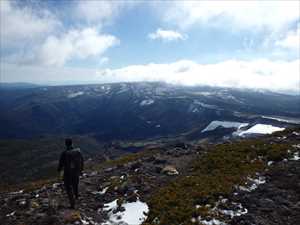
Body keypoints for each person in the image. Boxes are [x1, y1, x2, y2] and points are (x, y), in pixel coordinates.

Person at [58, 138, 84, 209]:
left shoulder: (64, 153)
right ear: (72, 143)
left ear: (65, 144)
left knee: (68, 188)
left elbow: (60, 165)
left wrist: (59, 170)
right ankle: (76, 197)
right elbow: (82, 161)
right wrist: (81, 170)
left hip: (67, 173)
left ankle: (73, 204)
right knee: (75, 185)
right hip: (76, 172)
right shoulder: (78, 151)